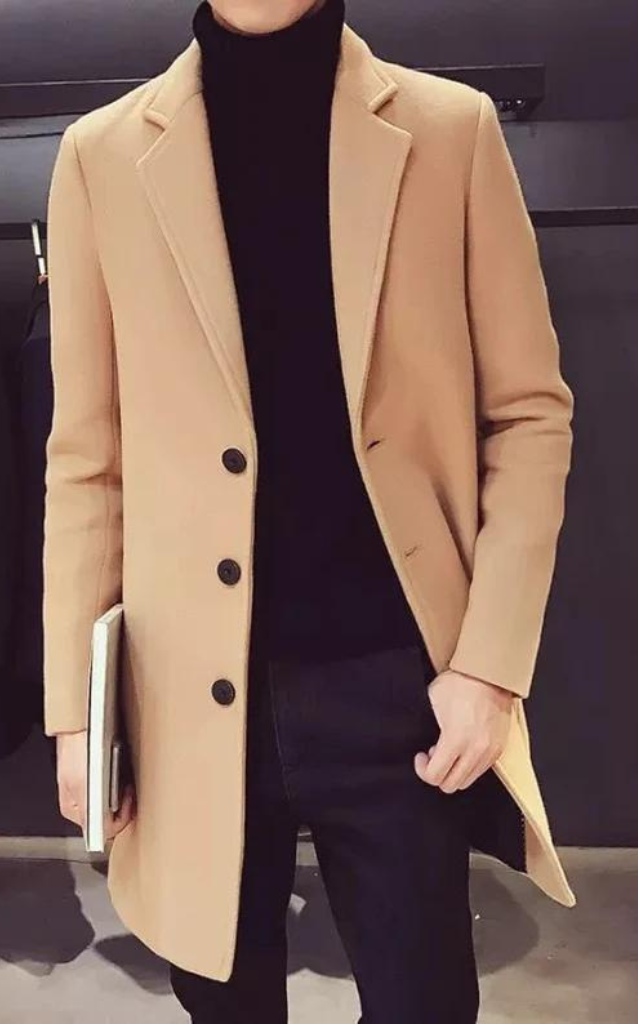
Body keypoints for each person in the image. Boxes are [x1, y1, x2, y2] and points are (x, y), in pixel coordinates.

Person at [43, 0, 576, 1021]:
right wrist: (78, 711)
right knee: (223, 1004)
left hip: (398, 687)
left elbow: (528, 415)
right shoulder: (100, 157)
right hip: (183, 696)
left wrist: (489, 668)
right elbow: (87, 460)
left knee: (424, 1002)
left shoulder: (449, 132)